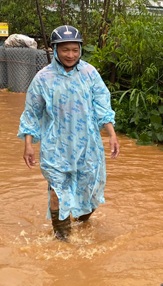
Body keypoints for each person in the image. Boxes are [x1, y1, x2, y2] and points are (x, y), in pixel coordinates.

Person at [18, 25, 120, 241]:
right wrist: (28, 144)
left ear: (80, 49)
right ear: (55, 49)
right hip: (55, 146)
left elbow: (102, 105)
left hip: (88, 146)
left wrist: (111, 134)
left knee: (91, 193)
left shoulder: (90, 73)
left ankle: (82, 224)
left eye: (75, 49)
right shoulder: (42, 78)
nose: (70, 55)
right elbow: (32, 113)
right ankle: (62, 239)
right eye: (65, 50)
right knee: (56, 192)